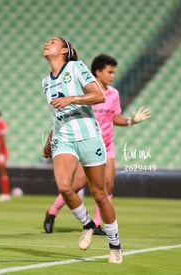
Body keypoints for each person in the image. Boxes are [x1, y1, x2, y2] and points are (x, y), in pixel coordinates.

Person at [43, 54, 151, 235]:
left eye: (113, 72)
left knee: (107, 185)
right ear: (98, 72)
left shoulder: (114, 94)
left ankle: (96, 223)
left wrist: (132, 121)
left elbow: (115, 118)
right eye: (109, 72)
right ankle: (52, 212)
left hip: (107, 145)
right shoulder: (85, 91)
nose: (112, 76)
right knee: (76, 185)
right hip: (86, 142)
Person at [42, 37, 122, 264]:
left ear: (64, 50)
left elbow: (99, 95)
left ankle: (115, 245)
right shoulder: (45, 82)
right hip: (64, 139)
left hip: (88, 136)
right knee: (65, 187)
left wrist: (72, 99)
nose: (47, 43)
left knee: (100, 195)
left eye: (53, 42)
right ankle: (87, 224)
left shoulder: (76, 67)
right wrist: (49, 141)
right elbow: (56, 116)